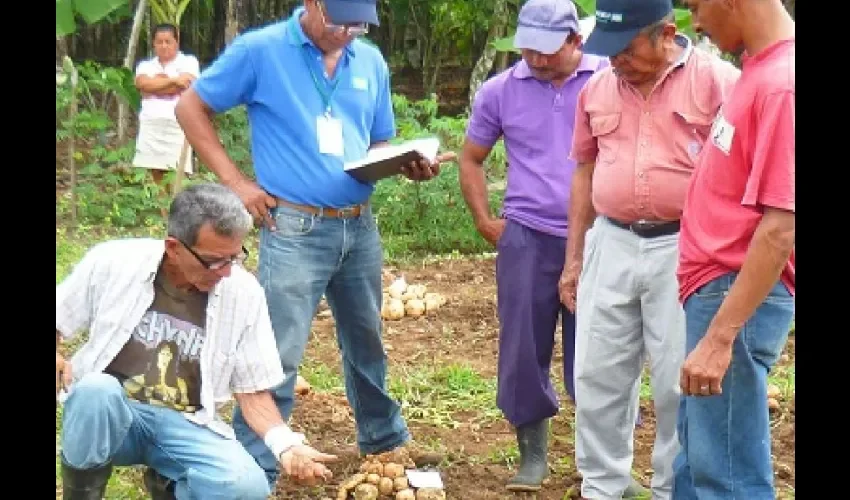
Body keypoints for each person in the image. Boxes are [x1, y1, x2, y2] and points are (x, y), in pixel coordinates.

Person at [173, 0, 456, 487]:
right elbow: (190, 107)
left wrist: (407, 164)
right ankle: (254, 467)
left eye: (359, 24)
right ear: (312, 4)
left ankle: (383, 437)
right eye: (339, 21)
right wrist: (236, 183)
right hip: (293, 229)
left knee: (366, 339)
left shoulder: (369, 61)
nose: (349, 33)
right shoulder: (261, 51)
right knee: (275, 350)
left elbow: (374, 144)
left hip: (358, 225)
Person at [558, 0, 740, 497]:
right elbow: (585, 172)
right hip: (610, 241)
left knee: (675, 381)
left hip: (685, 248)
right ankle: (601, 485)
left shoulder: (719, 83)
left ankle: (668, 489)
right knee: (595, 374)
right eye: (607, 48)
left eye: (625, 46)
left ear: (666, 33)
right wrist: (574, 258)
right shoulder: (596, 88)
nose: (615, 59)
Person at [55, 183, 338, 500]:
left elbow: (253, 392)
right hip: (114, 418)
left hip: (185, 423)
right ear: (174, 248)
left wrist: (286, 446)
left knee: (247, 487)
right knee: (95, 390)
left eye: (234, 257)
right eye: (215, 261)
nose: (226, 272)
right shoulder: (114, 263)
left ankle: (170, 488)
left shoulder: (243, 292)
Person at [458, 0, 615, 492]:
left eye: (548, 50)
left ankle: (605, 459)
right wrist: (486, 220)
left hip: (599, 235)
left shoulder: (611, 78)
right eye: (528, 49)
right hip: (527, 234)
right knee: (522, 345)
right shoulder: (500, 91)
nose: (538, 60)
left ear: (576, 40)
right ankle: (532, 454)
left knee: (600, 347)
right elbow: (471, 158)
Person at [672, 0, 795, 498]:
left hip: (733, 294)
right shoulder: (759, 72)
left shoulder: (782, 84)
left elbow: (781, 226)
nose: (696, 22)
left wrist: (721, 337)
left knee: (727, 472)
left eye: (698, 6)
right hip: (716, 290)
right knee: (700, 456)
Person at [132, 23, 200, 190]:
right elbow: (142, 84)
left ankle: (178, 211)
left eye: (168, 41)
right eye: (159, 42)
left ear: (176, 42)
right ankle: (162, 212)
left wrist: (157, 83)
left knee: (178, 172)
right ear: (154, 44)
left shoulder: (189, 62)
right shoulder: (145, 65)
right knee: (155, 173)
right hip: (151, 125)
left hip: (177, 126)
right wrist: (173, 81)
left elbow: (186, 83)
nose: (164, 46)